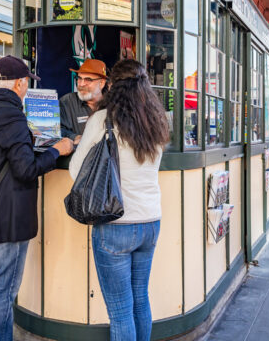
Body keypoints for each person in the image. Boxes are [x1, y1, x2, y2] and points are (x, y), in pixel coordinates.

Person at [0, 55, 74, 341]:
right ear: (20, 83)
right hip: (8, 219)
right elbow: (26, 168)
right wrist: (56, 150)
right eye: (26, 83)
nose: (26, 88)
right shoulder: (11, 116)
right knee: (2, 290)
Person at [69, 59, 169, 341]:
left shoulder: (102, 120)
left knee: (121, 312)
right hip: (150, 221)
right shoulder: (157, 121)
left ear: (112, 86)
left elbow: (77, 171)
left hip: (116, 222)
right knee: (140, 300)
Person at [60, 59, 108, 142]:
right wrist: (75, 137)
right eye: (79, 78)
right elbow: (57, 130)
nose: (81, 84)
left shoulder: (113, 105)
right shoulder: (67, 101)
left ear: (102, 83)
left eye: (88, 80)